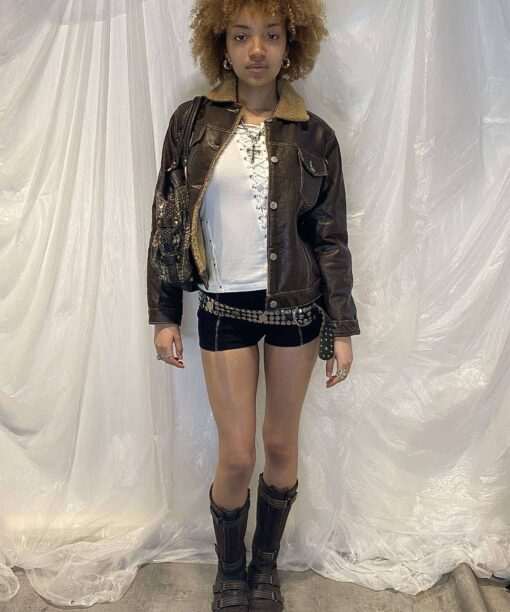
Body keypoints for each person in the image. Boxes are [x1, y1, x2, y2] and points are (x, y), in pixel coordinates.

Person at [147, 1, 361, 610]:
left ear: (292, 43)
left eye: (271, 35)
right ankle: (230, 571)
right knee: (238, 454)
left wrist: (341, 326)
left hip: (296, 311)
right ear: (222, 43)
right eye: (242, 36)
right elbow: (166, 222)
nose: (257, 49)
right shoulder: (191, 122)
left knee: (281, 448)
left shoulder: (315, 135)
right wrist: (164, 313)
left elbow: (330, 238)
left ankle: (265, 569)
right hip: (223, 310)